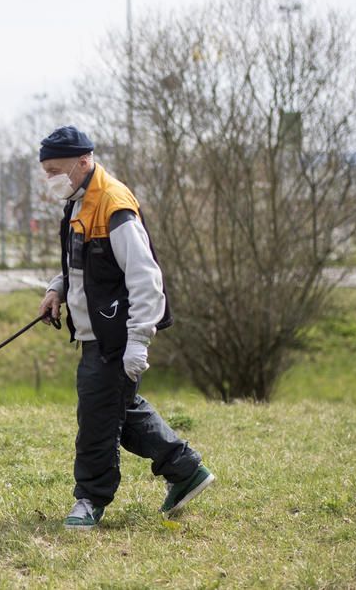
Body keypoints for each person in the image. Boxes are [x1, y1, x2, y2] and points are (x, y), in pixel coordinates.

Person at [36, 125, 214, 531]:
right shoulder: (79, 200)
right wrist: (56, 288)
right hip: (94, 332)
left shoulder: (114, 206)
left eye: (55, 171)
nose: (50, 180)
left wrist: (139, 342)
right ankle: (186, 470)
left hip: (115, 336)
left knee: (97, 421)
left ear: (83, 162)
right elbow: (78, 261)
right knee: (120, 409)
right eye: (45, 171)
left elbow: (146, 279)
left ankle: (90, 501)